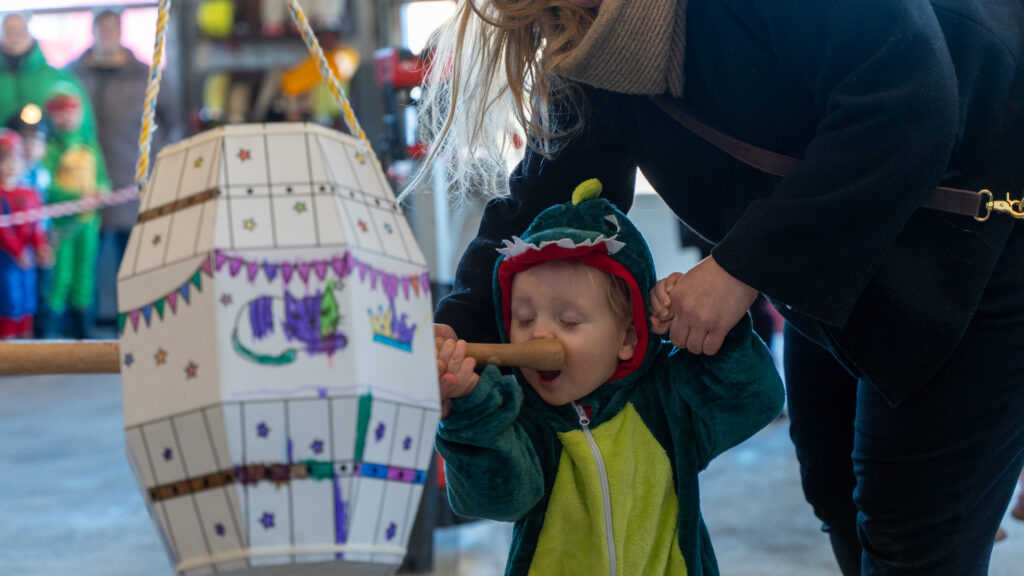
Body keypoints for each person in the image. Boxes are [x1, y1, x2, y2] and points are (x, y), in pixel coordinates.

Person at [417, 1, 1024, 575]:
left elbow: (907, 102)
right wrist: (457, 329)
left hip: (980, 239)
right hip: (839, 254)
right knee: (836, 484)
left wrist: (738, 268)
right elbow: (546, 191)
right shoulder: (591, 38)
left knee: (912, 528)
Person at [436, 180, 784, 575]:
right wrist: (472, 413)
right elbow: (495, 499)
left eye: (568, 321)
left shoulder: (667, 403)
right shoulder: (519, 421)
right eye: (524, 319)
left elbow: (755, 400)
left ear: (627, 336)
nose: (538, 334)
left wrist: (715, 337)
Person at [69, 9, 182, 330]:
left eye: (111, 28)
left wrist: (156, 160)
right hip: (84, 186)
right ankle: (82, 333)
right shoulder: (73, 74)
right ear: (93, 32)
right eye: (100, 28)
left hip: (132, 182)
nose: (106, 34)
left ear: (120, 31)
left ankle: (137, 327)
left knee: (134, 262)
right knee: (83, 265)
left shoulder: (146, 75)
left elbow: (171, 122)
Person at [39, 90, 110, 339]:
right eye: (61, 114)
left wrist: (101, 192)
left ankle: (83, 330)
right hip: (61, 226)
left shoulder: (89, 146)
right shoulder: (49, 150)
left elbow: (102, 178)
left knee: (84, 275)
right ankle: (48, 332)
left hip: (88, 224)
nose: (67, 118)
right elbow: (46, 185)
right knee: (60, 277)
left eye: (71, 112)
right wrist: (75, 198)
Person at [0, 13, 101, 145]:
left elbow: (83, 131)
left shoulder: (59, 79)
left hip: (51, 160)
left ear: (30, 33)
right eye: (9, 30)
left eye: (20, 30)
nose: (15, 37)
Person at [0, 129, 51, 339]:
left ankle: (25, 342)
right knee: (8, 299)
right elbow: (4, 229)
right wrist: (17, 250)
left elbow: (36, 225)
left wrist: (41, 246)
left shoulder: (31, 193)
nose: (12, 165)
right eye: (5, 160)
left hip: (26, 259)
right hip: (7, 260)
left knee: (28, 299)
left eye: (16, 159)